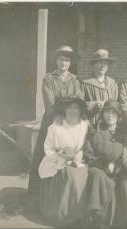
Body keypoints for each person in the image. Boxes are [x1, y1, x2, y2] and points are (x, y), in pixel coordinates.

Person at [28, 46, 84, 195]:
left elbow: (79, 101)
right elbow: (50, 104)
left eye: (67, 60)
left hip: (71, 124)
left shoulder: (75, 81)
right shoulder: (49, 79)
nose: (63, 63)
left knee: (70, 157)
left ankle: (64, 195)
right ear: (56, 61)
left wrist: (70, 112)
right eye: (61, 59)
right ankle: (38, 195)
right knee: (47, 156)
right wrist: (66, 108)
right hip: (53, 122)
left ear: (70, 63)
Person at [38, 96, 90, 228]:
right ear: (64, 110)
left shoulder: (85, 125)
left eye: (76, 108)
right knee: (70, 174)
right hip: (57, 160)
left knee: (84, 173)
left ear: (80, 110)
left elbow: (87, 146)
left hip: (80, 159)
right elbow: (48, 149)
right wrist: (61, 156)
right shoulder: (55, 127)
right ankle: (67, 215)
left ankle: (82, 215)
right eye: (69, 107)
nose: (73, 111)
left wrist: (78, 156)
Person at [83, 100, 125, 228]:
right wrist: (103, 165)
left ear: (118, 116)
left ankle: (104, 219)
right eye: (107, 112)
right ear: (103, 114)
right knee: (97, 176)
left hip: (118, 170)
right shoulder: (95, 131)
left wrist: (117, 167)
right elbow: (88, 154)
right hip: (98, 168)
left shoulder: (124, 133)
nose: (110, 116)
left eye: (113, 113)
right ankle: (96, 215)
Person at [82, 49, 118, 126]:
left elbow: (116, 104)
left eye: (105, 63)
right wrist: (95, 104)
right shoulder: (85, 83)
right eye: (100, 63)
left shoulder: (112, 83)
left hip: (109, 123)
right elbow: (80, 105)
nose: (103, 66)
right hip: (92, 122)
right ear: (94, 64)